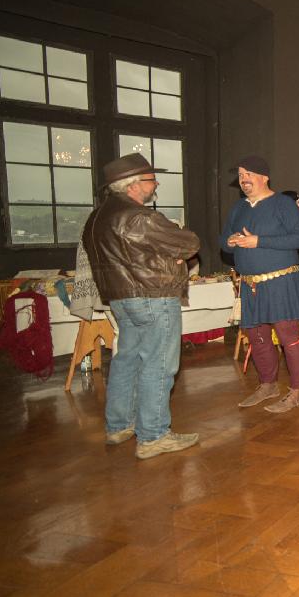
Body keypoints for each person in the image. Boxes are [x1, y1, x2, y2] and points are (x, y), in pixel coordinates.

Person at [82, 153, 201, 460]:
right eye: (151, 179)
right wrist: (174, 255)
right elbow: (189, 243)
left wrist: (167, 254)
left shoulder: (96, 218)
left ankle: (119, 425)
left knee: (127, 359)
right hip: (153, 296)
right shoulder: (138, 216)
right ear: (133, 185)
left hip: (121, 299)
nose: (156, 184)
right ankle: (153, 436)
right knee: (158, 364)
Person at [223, 156, 299, 412]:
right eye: (240, 175)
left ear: (264, 177)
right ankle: (268, 385)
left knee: (289, 337)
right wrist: (229, 241)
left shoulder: (283, 204)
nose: (243, 179)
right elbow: (223, 241)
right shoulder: (238, 208)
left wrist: (259, 241)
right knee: (257, 337)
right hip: (250, 284)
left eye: (248, 174)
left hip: (280, 281)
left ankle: (297, 391)